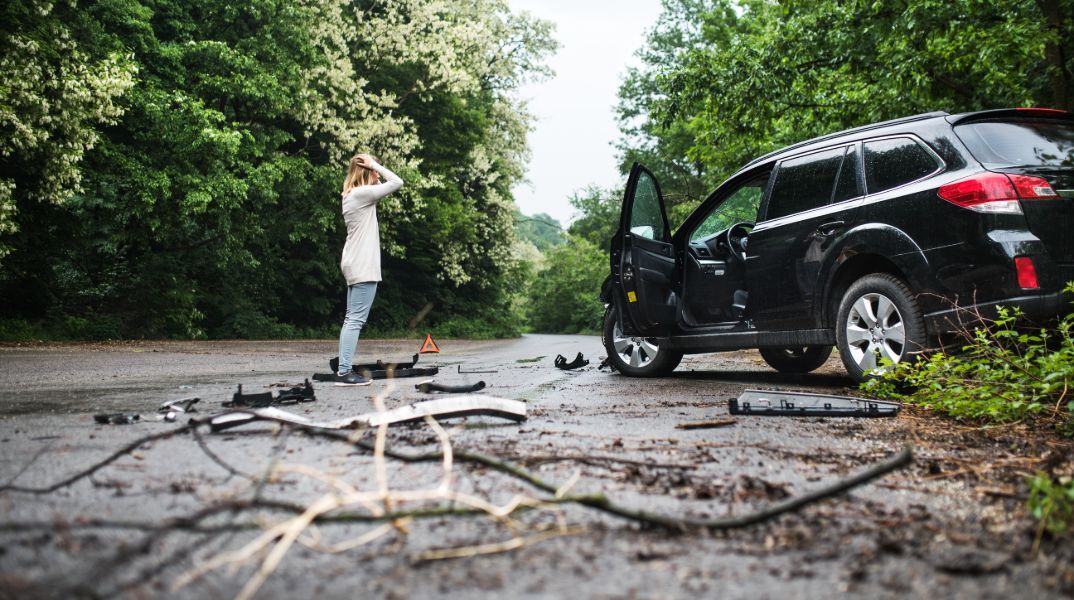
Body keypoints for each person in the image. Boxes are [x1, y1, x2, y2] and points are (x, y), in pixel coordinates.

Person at [335, 153, 403, 386]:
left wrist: (372, 167)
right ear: (367, 171)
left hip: (354, 261)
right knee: (355, 320)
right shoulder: (361, 194)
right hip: (362, 264)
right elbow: (397, 182)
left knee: (351, 319)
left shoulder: (352, 195)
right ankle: (344, 372)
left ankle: (344, 369)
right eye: (375, 170)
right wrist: (374, 164)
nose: (378, 174)